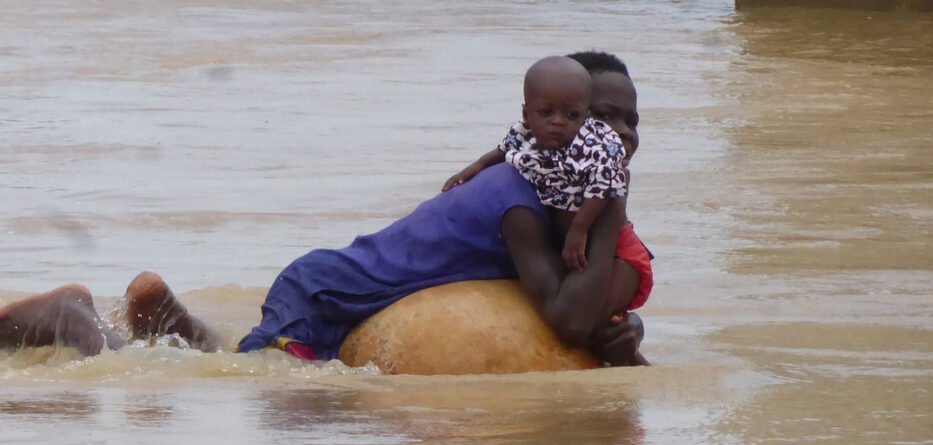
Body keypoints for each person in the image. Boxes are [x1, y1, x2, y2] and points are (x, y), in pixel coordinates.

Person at [0, 51, 649, 367]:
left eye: (629, 122)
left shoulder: (550, 189)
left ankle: (175, 322)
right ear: (546, 120)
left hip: (341, 293)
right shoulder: (520, 202)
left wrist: (624, 328)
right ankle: (80, 327)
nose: (615, 136)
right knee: (255, 381)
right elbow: (566, 314)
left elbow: (584, 295)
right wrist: (614, 198)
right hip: (328, 292)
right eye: (598, 119)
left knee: (238, 360)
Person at [442, 56, 654, 314]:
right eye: (605, 115)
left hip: (622, 254)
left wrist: (605, 207)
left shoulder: (600, 171)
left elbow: (575, 318)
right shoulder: (533, 162)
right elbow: (504, 149)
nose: (623, 131)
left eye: (632, 122)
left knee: (600, 325)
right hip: (581, 258)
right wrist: (472, 169)